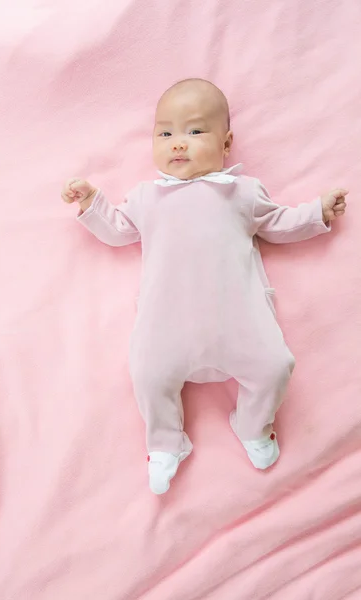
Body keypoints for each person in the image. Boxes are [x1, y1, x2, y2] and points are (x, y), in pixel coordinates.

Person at [61, 79, 348, 495]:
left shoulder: (241, 192)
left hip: (239, 322)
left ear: (226, 143)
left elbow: (278, 223)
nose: (179, 143)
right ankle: (166, 442)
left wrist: (316, 212)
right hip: (167, 324)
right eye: (166, 133)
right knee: (146, 372)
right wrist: (92, 203)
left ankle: (253, 425)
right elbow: (119, 230)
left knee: (275, 368)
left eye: (195, 132)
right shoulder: (146, 197)